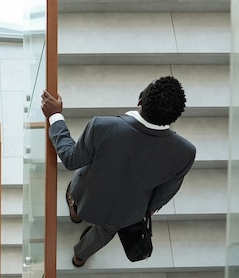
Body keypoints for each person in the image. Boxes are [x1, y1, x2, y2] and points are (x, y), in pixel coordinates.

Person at [41, 76, 196, 267]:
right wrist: (148, 209)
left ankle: (76, 214)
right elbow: (165, 193)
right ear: (174, 117)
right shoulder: (185, 153)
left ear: (140, 100)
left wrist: (55, 116)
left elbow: (71, 159)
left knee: (78, 199)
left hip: (87, 194)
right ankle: (79, 257)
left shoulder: (102, 126)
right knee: (103, 234)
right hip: (127, 213)